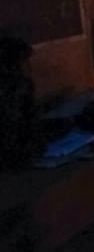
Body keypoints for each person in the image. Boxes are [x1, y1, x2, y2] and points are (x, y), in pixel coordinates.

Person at [0, 37, 44, 170]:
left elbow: (31, 118)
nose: (29, 67)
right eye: (25, 62)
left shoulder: (25, 85)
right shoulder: (8, 92)